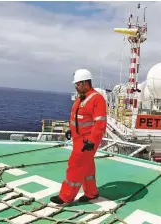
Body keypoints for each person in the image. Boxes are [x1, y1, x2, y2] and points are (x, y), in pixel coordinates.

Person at [50, 69, 107, 204]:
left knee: (75, 165)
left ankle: (66, 196)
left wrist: (92, 141)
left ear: (85, 83)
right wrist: (72, 130)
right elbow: (78, 118)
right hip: (78, 138)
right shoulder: (81, 97)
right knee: (87, 166)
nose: (75, 86)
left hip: (87, 140)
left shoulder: (96, 99)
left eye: (77, 84)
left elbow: (100, 123)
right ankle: (92, 193)